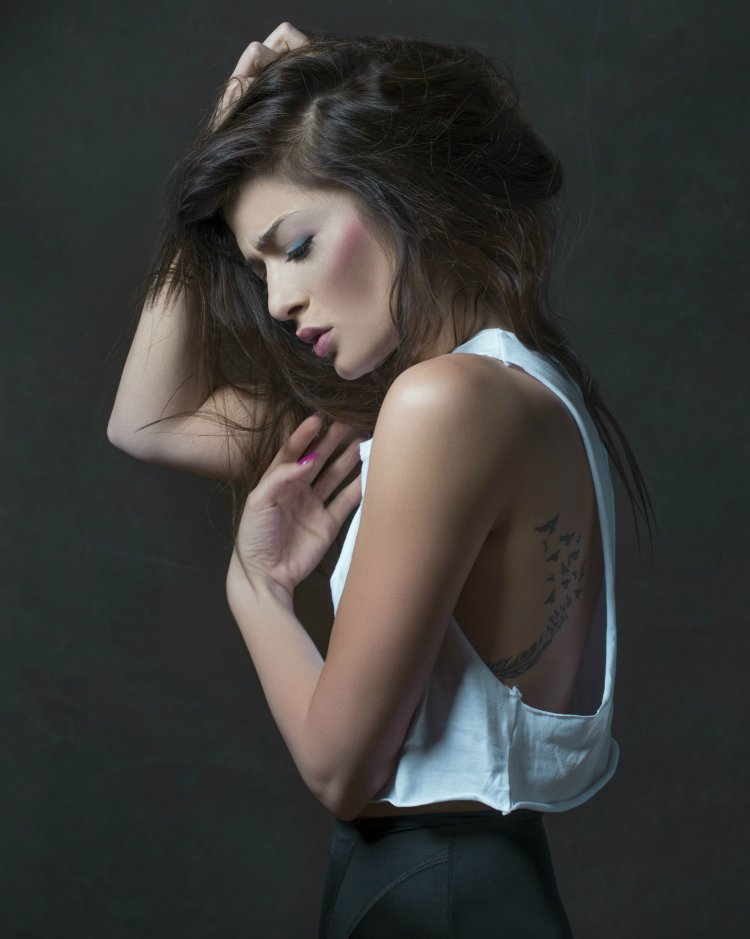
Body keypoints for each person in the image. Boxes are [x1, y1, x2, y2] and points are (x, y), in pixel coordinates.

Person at [107, 22, 656, 938]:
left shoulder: (442, 405)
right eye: (256, 267)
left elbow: (340, 768)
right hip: (460, 883)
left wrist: (257, 588)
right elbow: (146, 420)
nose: (278, 300)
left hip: (432, 889)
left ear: (399, 191)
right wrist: (226, 132)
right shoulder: (500, 392)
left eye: (296, 245)